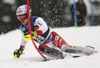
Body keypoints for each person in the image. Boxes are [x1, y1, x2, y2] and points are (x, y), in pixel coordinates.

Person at [13, 5, 96, 59]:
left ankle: (89, 51)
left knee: (65, 48)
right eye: (19, 18)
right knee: (41, 47)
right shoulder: (23, 28)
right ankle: (62, 56)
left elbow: (44, 27)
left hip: (52, 37)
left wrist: (34, 34)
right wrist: (20, 49)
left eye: (23, 17)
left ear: (28, 14)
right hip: (46, 44)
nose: (21, 20)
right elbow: (24, 39)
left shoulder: (37, 20)